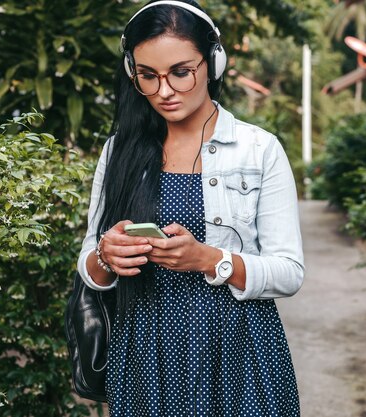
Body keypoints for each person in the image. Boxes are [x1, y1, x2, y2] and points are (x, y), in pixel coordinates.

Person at [76, 0, 305, 415]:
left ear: (213, 64)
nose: (163, 91)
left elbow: (289, 272)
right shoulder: (119, 152)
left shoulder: (259, 150)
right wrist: (106, 256)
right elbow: (91, 268)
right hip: (145, 354)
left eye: (181, 73)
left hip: (239, 353)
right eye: (147, 76)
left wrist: (209, 259)